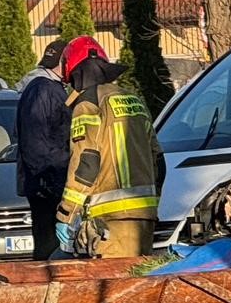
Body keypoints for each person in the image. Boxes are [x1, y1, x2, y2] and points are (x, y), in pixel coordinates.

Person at [55, 36, 164, 258]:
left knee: (114, 288)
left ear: (75, 73)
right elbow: (159, 163)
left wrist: (67, 215)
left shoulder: (88, 105)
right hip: (145, 219)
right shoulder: (133, 99)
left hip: (109, 223)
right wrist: (149, 206)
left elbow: (86, 165)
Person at [15, 39, 69, 260]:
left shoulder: (42, 88)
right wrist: (53, 183)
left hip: (44, 181)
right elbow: (36, 143)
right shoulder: (44, 90)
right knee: (49, 252)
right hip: (48, 185)